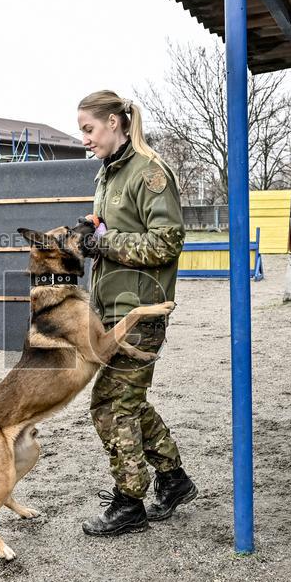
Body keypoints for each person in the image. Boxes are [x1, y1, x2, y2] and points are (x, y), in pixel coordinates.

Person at [76, 90, 196, 537]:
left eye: (89, 129)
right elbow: (119, 229)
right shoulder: (108, 173)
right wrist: (93, 230)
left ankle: (130, 502)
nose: (85, 139)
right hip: (114, 306)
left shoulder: (149, 172)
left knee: (110, 404)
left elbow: (167, 241)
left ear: (113, 121)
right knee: (129, 400)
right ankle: (173, 479)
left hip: (142, 310)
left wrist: (105, 243)